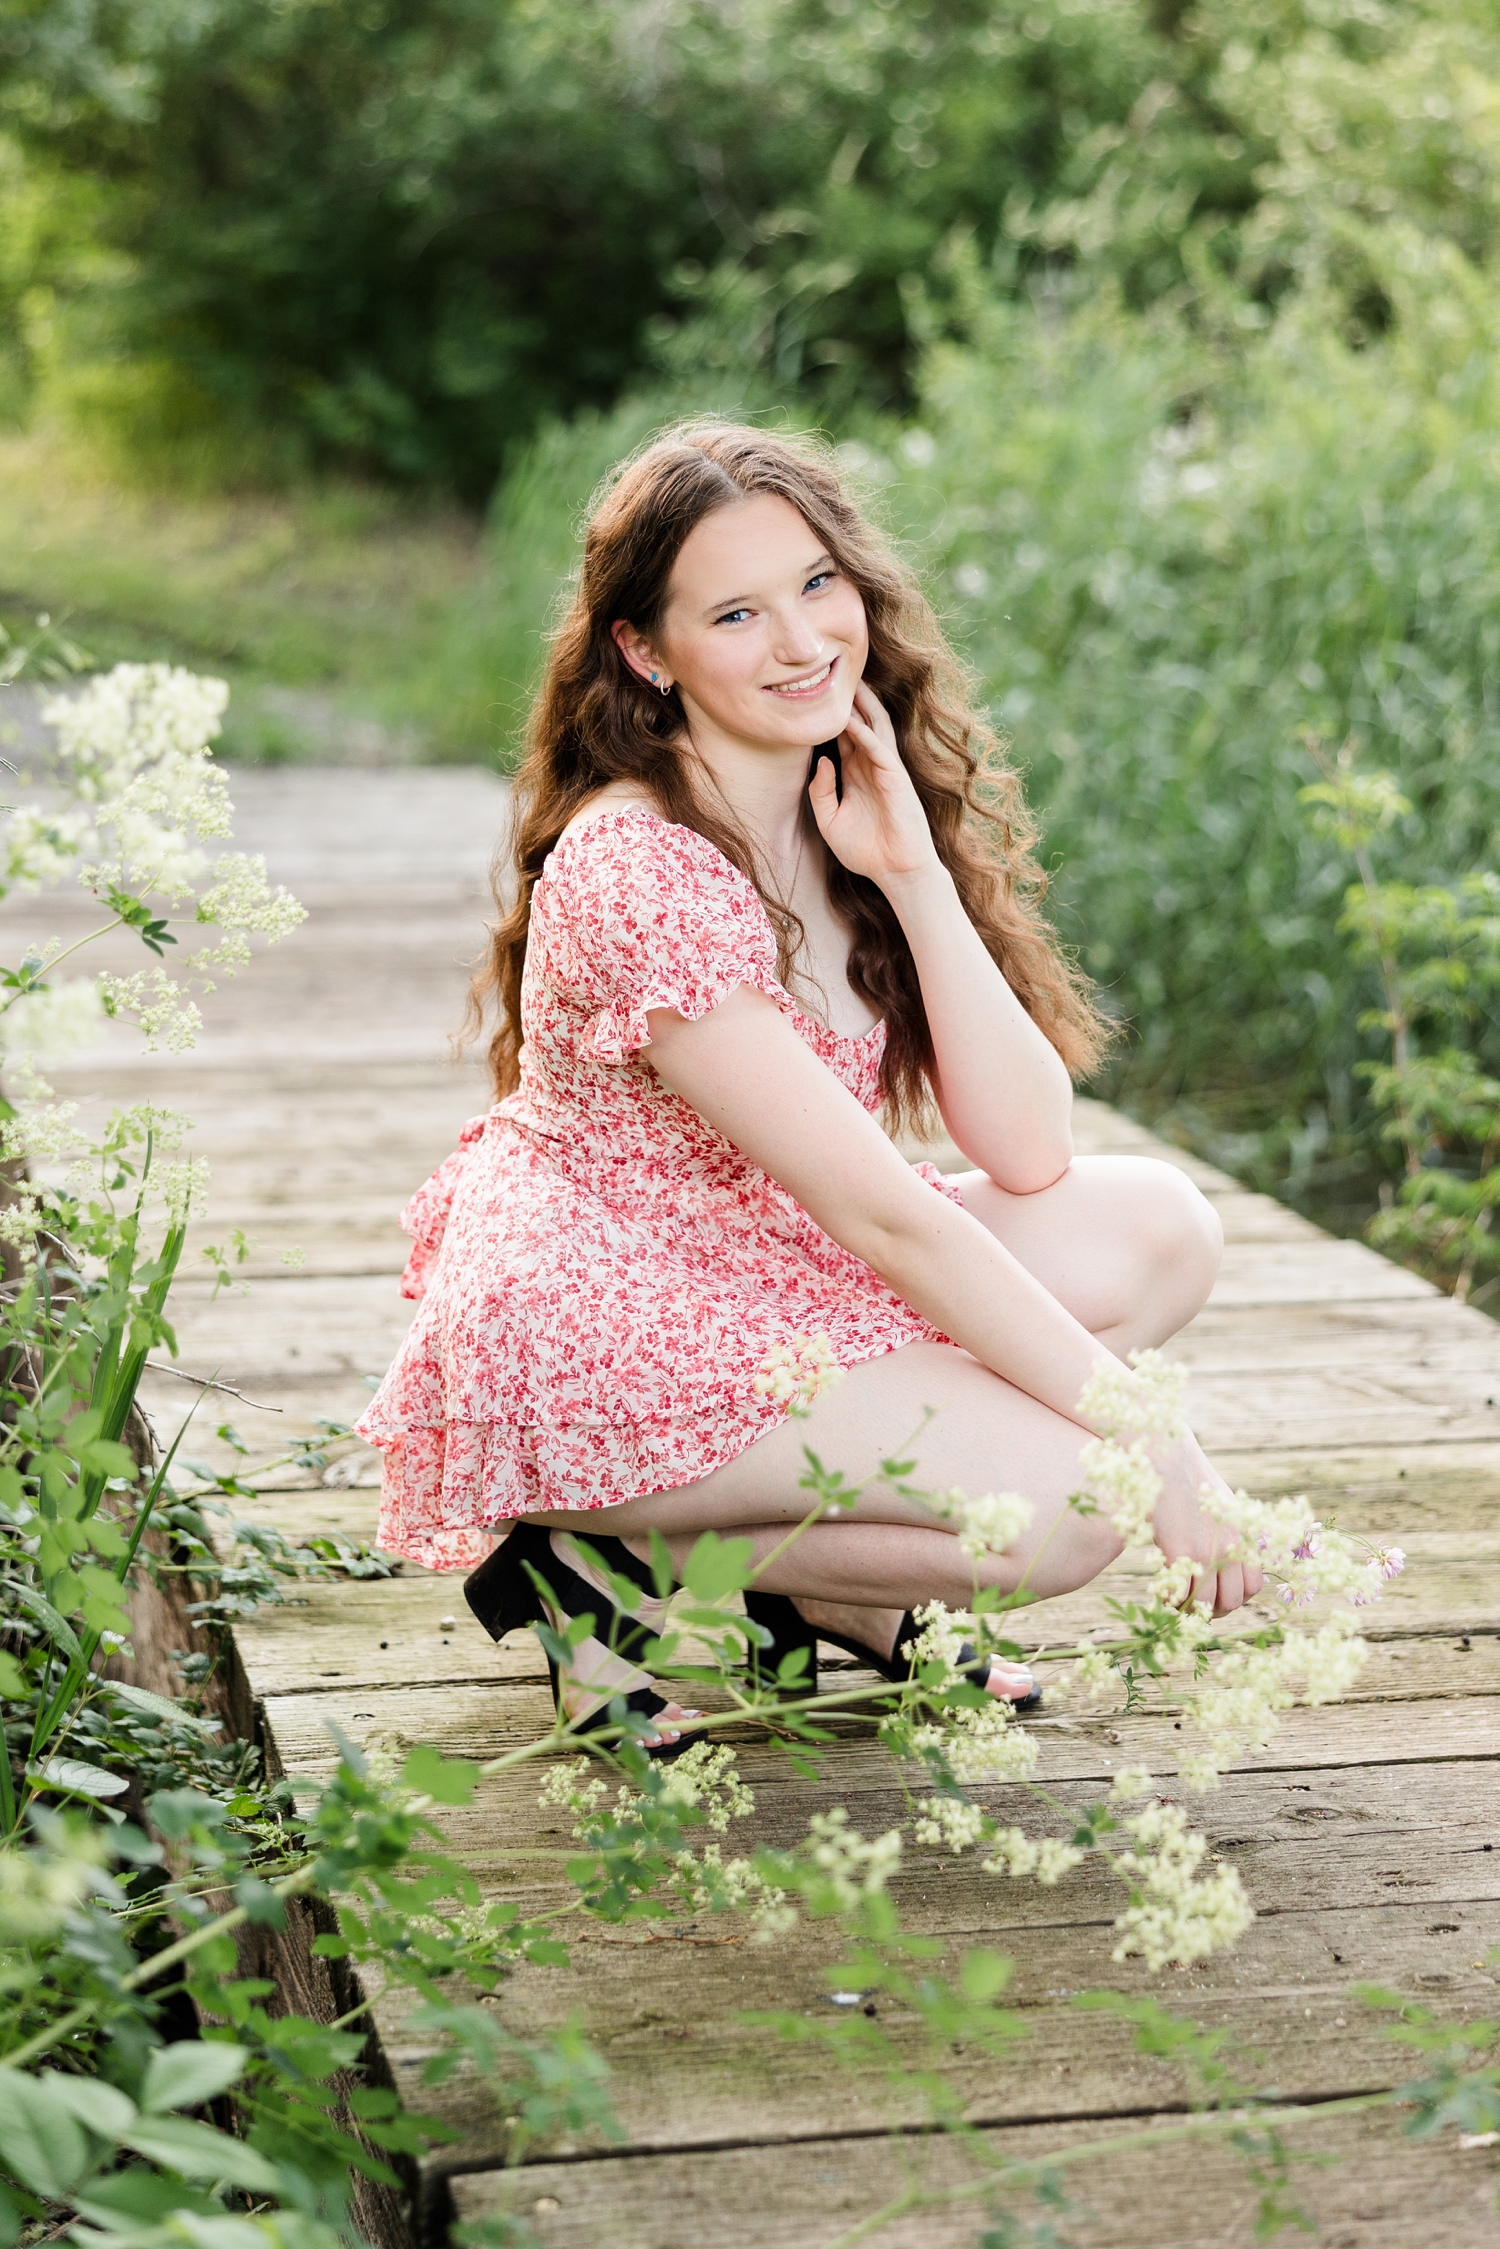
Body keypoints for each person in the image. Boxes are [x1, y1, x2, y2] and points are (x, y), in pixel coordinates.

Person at [356, 421, 1260, 1755]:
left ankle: (806, 1584)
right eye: (736, 612)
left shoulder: (832, 806)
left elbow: (1024, 1144)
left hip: (752, 1257)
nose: (800, 643)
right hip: (601, 1303)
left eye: (816, 585)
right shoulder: (639, 869)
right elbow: (892, 1219)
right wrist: (1165, 1445)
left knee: (1164, 1231)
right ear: (645, 652)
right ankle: (593, 1559)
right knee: (1083, 1501)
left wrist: (911, 874)